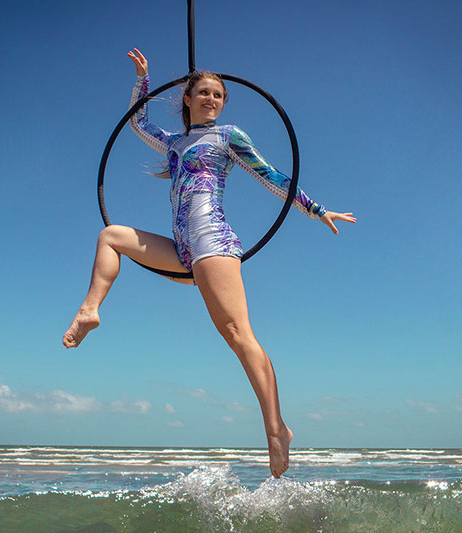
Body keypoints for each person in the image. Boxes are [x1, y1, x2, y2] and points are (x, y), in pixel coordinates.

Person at [63, 48, 355, 478]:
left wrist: (316, 209)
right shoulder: (175, 142)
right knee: (111, 237)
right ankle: (90, 311)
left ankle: (276, 428)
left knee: (238, 335)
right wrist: (143, 81)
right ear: (188, 98)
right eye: (203, 92)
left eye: (218, 94)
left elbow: (272, 176)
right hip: (183, 251)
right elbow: (138, 124)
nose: (212, 99)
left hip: (213, 243)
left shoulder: (228, 137)